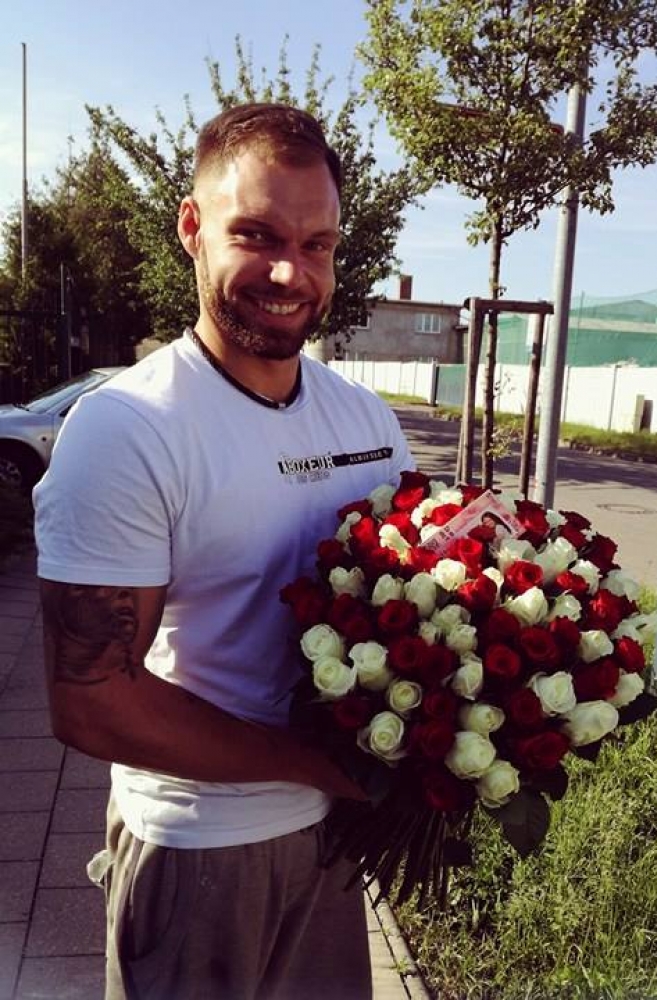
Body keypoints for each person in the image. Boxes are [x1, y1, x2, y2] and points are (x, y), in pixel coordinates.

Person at [34, 103, 414, 1000]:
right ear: (192, 228)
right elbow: (92, 703)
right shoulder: (129, 429)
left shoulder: (364, 419)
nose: (290, 272)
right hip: (199, 849)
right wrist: (315, 765)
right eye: (257, 235)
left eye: (317, 244)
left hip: (336, 841)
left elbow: (416, 599)